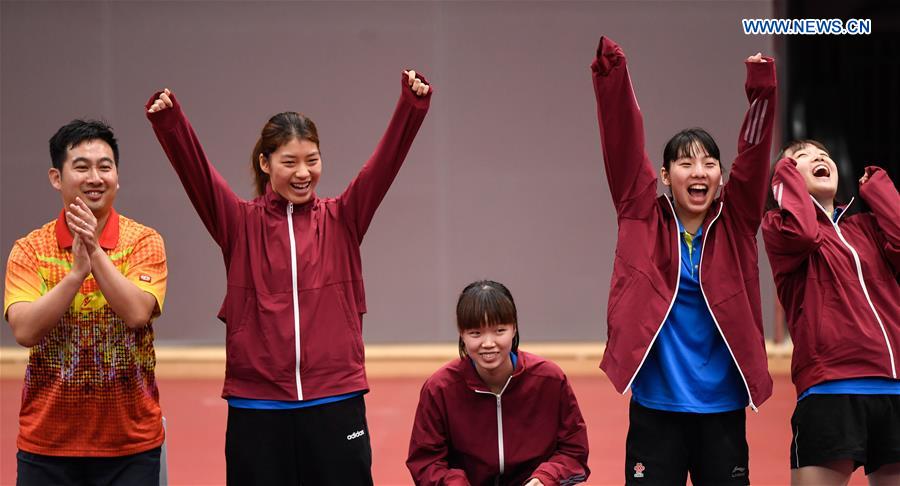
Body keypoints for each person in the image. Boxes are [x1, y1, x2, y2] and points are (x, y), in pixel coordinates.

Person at [145, 69, 431, 485]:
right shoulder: (239, 224)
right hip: (258, 406)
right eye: (290, 162)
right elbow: (199, 177)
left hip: (336, 397)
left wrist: (412, 106)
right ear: (265, 162)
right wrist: (171, 123)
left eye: (312, 160)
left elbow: (383, 166)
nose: (303, 173)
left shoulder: (343, 219)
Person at [590, 36, 776, 484]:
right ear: (666, 176)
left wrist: (762, 90)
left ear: (721, 176)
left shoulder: (735, 221)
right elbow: (622, 145)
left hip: (722, 407)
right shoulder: (640, 216)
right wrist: (613, 79)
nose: (699, 172)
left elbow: (753, 156)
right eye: (686, 164)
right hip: (657, 407)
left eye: (709, 163)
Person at [4, 119, 167, 485]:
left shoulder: (144, 241)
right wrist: (76, 274)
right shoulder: (29, 249)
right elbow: (25, 330)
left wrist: (93, 251)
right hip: (47, 445)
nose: (95, 177)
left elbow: (137, 313)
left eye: (105, 167)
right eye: (81, 167)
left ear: (117, 177)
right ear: (56, 178)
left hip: (131, 446)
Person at [762, 140, 900, 485]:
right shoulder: (780, 228)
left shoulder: (866, 227)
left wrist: (878, 187)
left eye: (823, 154)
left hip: (893, 389)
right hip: (830, 390)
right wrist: (782, 172)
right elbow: (806, 232)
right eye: (803, 157)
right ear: (786, 178)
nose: (819, 157)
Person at [406, 280, 589, 486]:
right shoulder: (439, 389)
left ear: (514, 329)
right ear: (462, 334)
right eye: (476, 333)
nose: (488, 343)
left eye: (499, 331)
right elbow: (426, 462)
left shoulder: (550, 380)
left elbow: (573, 450)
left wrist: (545, 479)